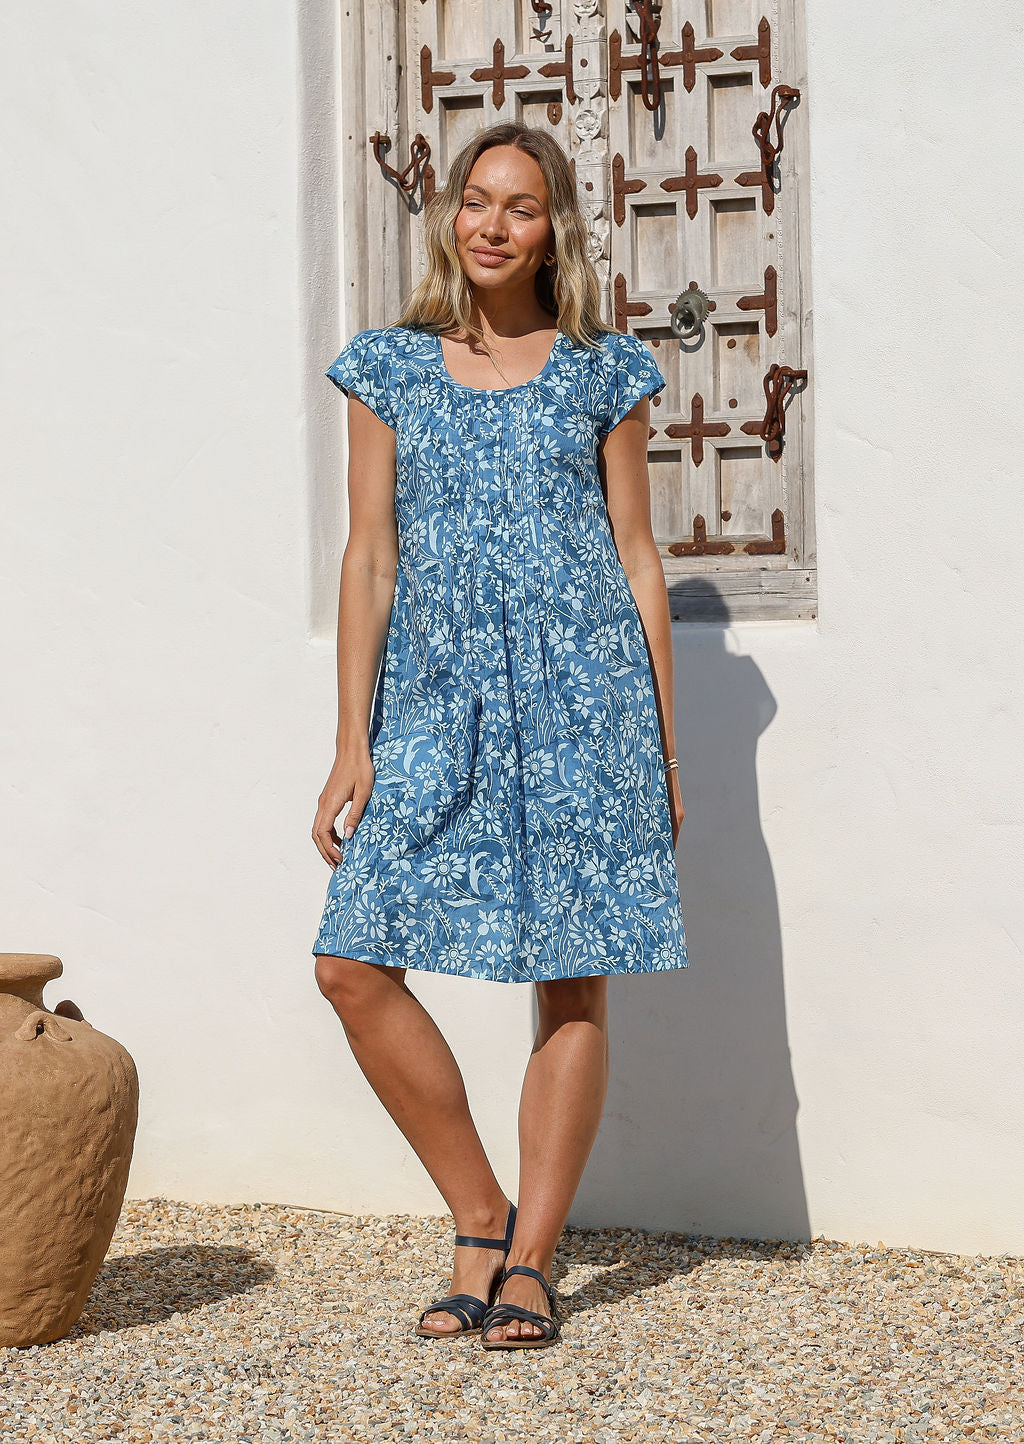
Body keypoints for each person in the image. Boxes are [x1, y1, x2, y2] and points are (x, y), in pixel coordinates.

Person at [310, 120, 689, 1351]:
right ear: (449, 218)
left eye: (518, 207)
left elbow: (638, 555)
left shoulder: (602, 372)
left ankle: (530, 1260)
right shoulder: (391, 367)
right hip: (435, 701)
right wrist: (351, 738)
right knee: (352, 965)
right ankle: (480, 1214)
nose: (488, 224)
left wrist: (666, 750)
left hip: (587, 707)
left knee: (569, 978)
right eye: (474, 201)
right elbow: (370, 557)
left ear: (552, 230)